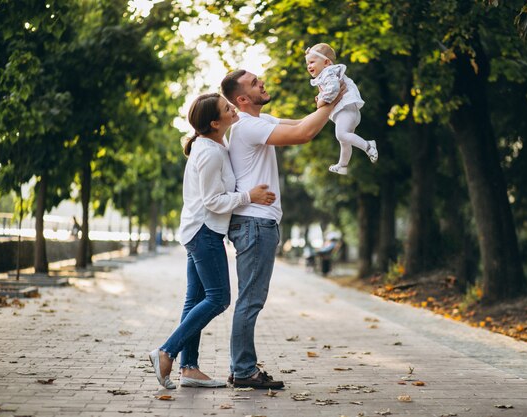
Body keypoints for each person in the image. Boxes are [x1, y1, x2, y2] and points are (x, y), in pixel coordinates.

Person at [220, 69, 345, 389]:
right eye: (254, 83)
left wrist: (327, 104)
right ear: (242, 99)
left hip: (257, 223)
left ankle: (241, 367)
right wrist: (331, 103)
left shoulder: (257, 121)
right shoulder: (247, 126)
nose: (263, 82)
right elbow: (303, 134)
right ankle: (244, 370)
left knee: (250, 299)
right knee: (250, 300)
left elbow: (300, 123)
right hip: (254, 223)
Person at [148, 93, 277, 389]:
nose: (233, 107)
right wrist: (249, 196)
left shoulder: (218, 144)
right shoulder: (209, 152)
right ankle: (167, 352)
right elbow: (212, 201)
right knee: (219, 299)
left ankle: (189, 369)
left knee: (195, 300)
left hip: (201, 231)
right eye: (226, 108)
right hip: (203, 232)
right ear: (215, 122)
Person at [305, 43, 378, 175]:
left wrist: (322, 100)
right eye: (307, 64)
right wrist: (321, 96)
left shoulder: (328, 72)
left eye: (312, 62)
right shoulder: (328, 75)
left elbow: (334, 89)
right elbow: (330, 89)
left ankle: (368, 145)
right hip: (349, 111)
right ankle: (343, 165)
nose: (309, 66)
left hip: (346, 110)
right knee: (344, 140)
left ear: (326, 62)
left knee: (341, 135)